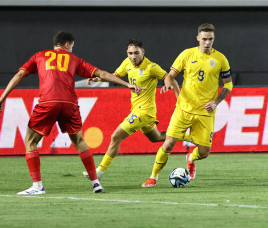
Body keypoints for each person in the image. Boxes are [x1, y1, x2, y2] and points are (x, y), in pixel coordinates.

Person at [0, 31, 144, 195]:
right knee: (79, 141)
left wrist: (3, 97)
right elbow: (102, 74)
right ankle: (96, 183)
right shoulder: (74, 60)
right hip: (70, 104)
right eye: (72, 47)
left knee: (30, 141)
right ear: (67, 45)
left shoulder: (39, 56)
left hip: (48, 102)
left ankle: (37, 186)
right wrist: (127, 84)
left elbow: (20, 74)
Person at [82, 38, 190, 180]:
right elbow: (114, 76)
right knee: (156, 138)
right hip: (138, 110)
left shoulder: (151, 67)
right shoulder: (127, 63)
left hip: (144, 112)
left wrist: (177, 97)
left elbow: (169, 78)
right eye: (130, 53)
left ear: (142, 52)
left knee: (115, 137)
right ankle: (192, 137)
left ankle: (99, 172)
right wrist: (98, 79)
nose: (133, 57)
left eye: (136, 53)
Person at [142, 23, 233, 187]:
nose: (207, 42)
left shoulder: (221, 59)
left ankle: (190, 158)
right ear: (198, 38)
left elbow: (228, 85)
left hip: (205, 112)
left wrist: (216, 103)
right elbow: (170, 75)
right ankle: (153, 177)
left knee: (204, 152)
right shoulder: (186, 54)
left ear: (214, 39)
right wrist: (168, 83)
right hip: (183, 109)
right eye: (204, 39)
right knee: (168, 143)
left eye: (210, 39)